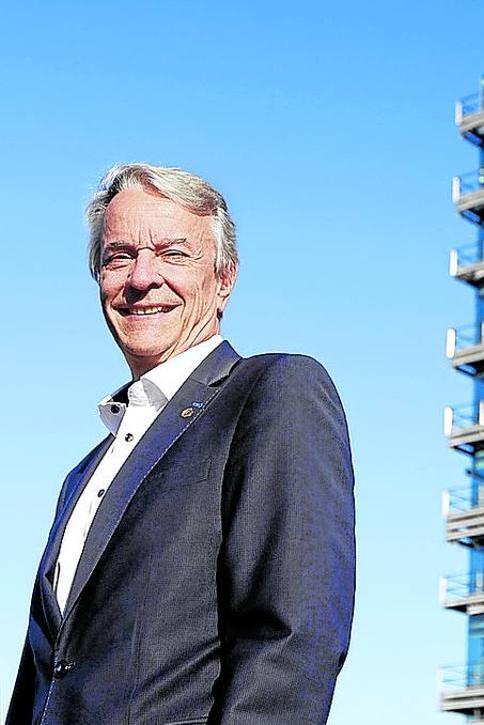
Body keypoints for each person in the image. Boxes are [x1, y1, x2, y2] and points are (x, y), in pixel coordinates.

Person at [6, 164, 355, 725]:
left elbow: (292, 639)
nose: (142, 277)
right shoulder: (82, 475)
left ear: (224, 279)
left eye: (172, 254)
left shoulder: (272, 393)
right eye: (119, 256)